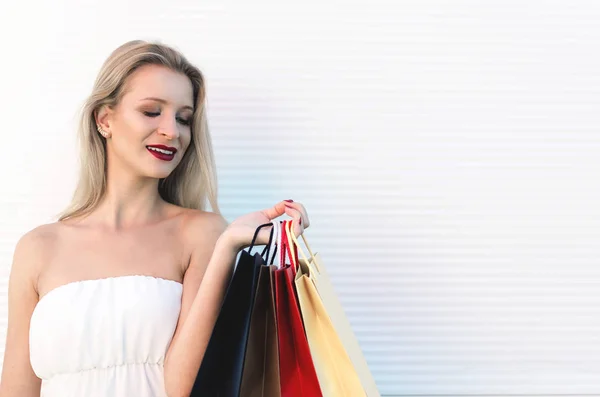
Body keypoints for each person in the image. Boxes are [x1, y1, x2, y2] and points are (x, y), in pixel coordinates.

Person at [0, 39, 310, 397]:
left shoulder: (201, 234)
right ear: (105, 119)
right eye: (151, 112)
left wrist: (228, 248)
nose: (172, 131)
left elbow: (183, 388)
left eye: (183, 118)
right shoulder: (38, 248)